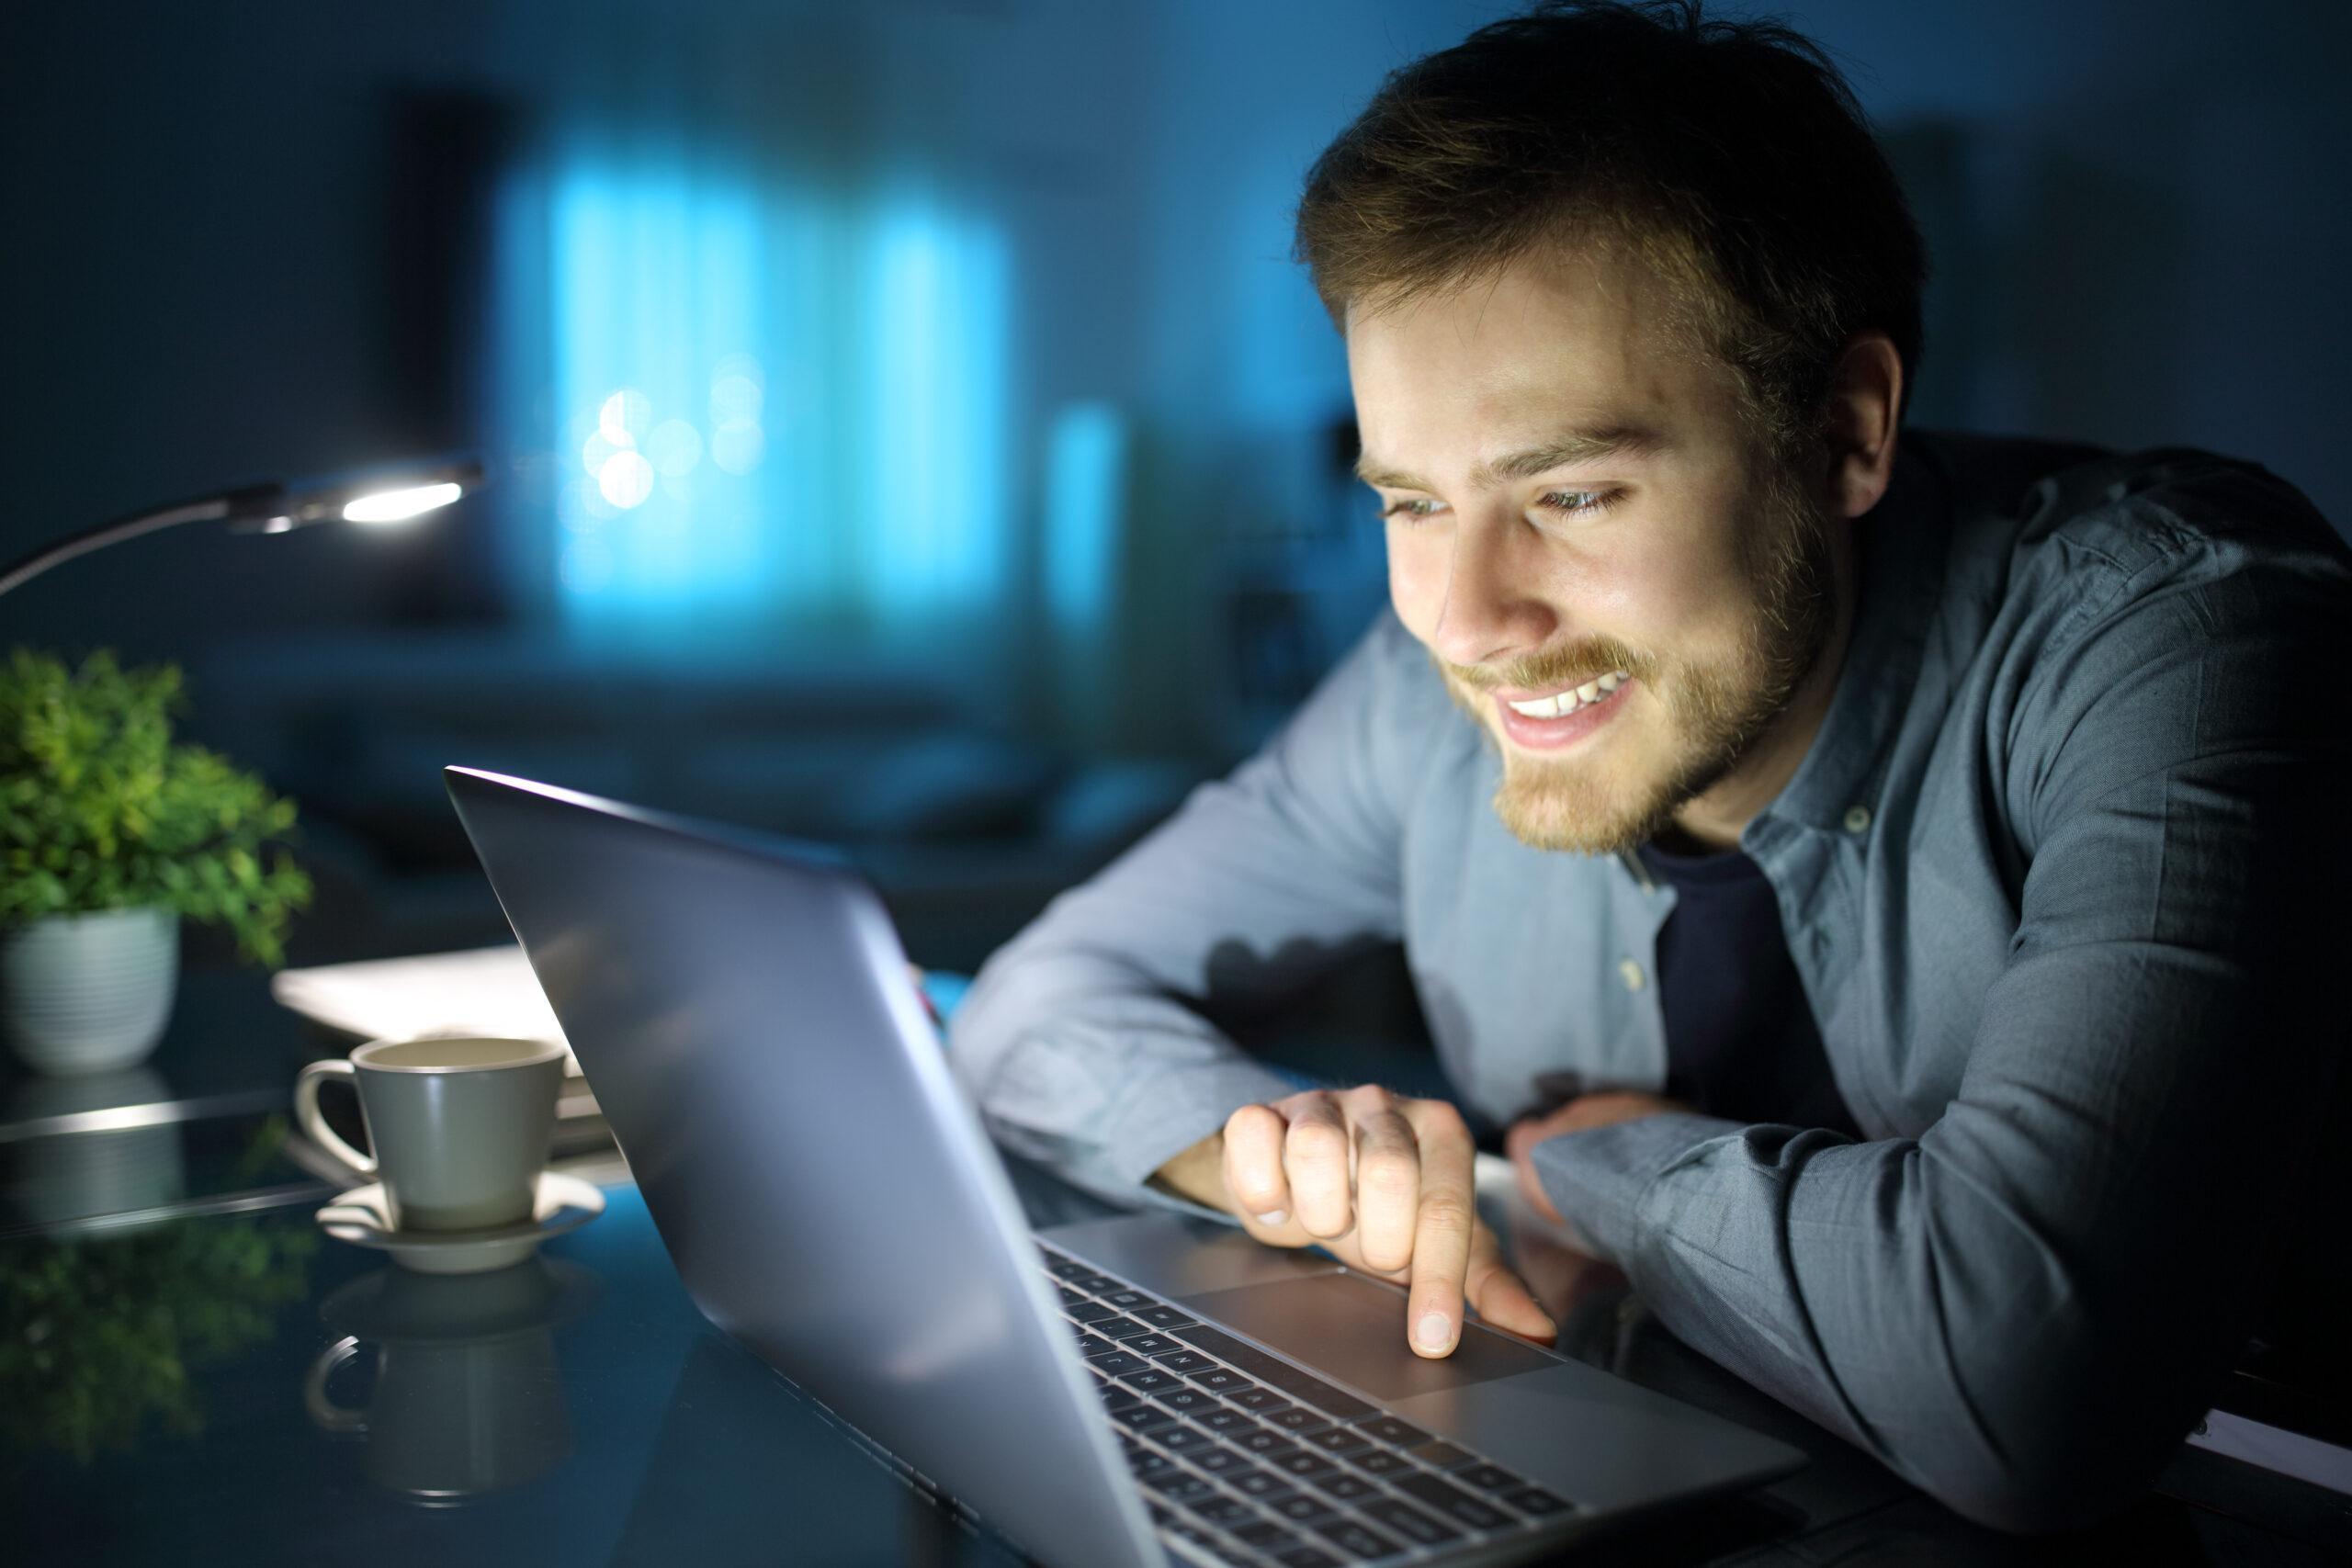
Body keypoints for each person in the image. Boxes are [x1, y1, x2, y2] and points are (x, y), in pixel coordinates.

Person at [947, 0, 2352, 1534]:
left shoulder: (2182, 622)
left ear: (1844, 434)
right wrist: (1275, 1161)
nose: (1468, 620)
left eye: (1575, 490)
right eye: (1412, 503)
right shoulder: (1430, 689)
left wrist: (1600, 1166)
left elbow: (2024, 1374)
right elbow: (1030, 1004)